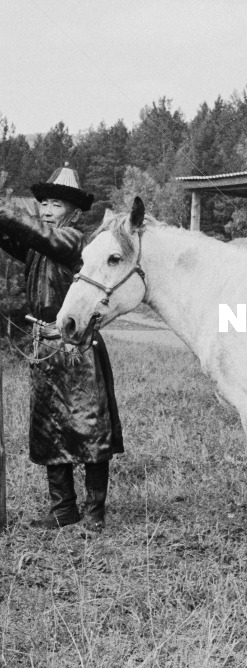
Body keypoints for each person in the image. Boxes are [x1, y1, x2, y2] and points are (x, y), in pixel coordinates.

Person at [0, 163, 123, 531]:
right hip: (44, 347)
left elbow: (35, 234)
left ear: (72, 211)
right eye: (44, 204)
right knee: (49, 429)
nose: (47, 210)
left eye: (55, 204)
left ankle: (95, 512)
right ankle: (63, 509)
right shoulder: (39, 247)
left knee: (89, 430)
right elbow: (16, 236)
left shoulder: (75, 241)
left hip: (77, 347)